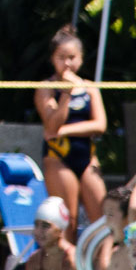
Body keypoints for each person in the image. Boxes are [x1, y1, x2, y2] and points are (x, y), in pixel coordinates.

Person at [37, 28, 108, 233]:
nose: (67, 63)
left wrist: (64, 131)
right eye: (61, 57)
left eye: (72, 57)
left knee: (102, 223)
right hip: (58, 159)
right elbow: (51, 126)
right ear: (52, 59)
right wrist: (66, 95)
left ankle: (101, 264)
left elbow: (99, 125)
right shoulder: (46, 88)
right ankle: (71, 265)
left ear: (81, 59)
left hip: (87, 158)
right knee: (68, 222)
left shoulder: (89, 87)